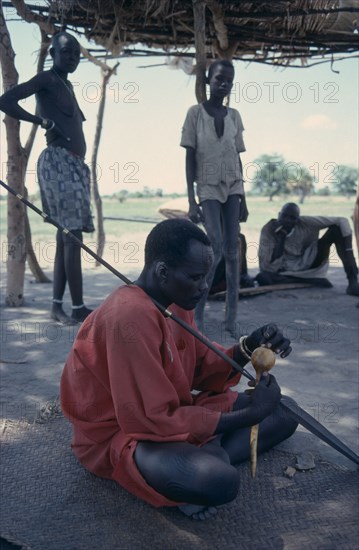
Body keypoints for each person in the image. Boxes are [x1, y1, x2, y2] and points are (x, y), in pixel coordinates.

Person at [60, 218, 298, 521]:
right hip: (126, 433)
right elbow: (148, 419)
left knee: (286, 412)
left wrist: (248, 347)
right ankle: (204, 455)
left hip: (175, 414)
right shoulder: (128, 317)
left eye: (206, 277)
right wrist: (250, 415)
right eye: (195, 277)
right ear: (162, 272)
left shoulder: (175, 300)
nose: (204, 287)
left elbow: (199, 370)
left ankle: (210, 451)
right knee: (220, 481)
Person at [0, 32, 94, 324]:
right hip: (58, 164)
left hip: (74, 165)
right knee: (72, 236)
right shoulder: (47, 79)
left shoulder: (65, 83)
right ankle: (77, 307)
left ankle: (57, 306)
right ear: (52, 52)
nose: (72, 58)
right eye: (66, 53)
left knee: (65, 235)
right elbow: (6, 100)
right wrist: (39, 121)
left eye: (76, 54)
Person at [180, 59, 248, 336]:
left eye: (229, 80)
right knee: (215, 248)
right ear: (208, 81)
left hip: (233, 186)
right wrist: (190, 199)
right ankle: (197, 316)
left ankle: (231, 319)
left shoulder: (234, 116)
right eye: (219, 78)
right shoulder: (195, 113)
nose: (224, 84)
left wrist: (244, 197)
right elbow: (189, 157)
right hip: (207, 186)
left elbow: (239, 157)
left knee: (233, 252)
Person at [256, 202, 359, 296]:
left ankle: (353, 281)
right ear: (279, 215)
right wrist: (281, 239)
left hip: (307, 262)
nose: (287, 220)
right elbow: (268, 267)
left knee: (336, 230)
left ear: (297, 219)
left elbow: (342, 220)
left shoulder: (305, 223)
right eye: (284, 216)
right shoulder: (268, 230)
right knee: (263, 278)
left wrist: (349, 252)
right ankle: (308, 280)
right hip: (282, 270)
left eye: (292, 218)